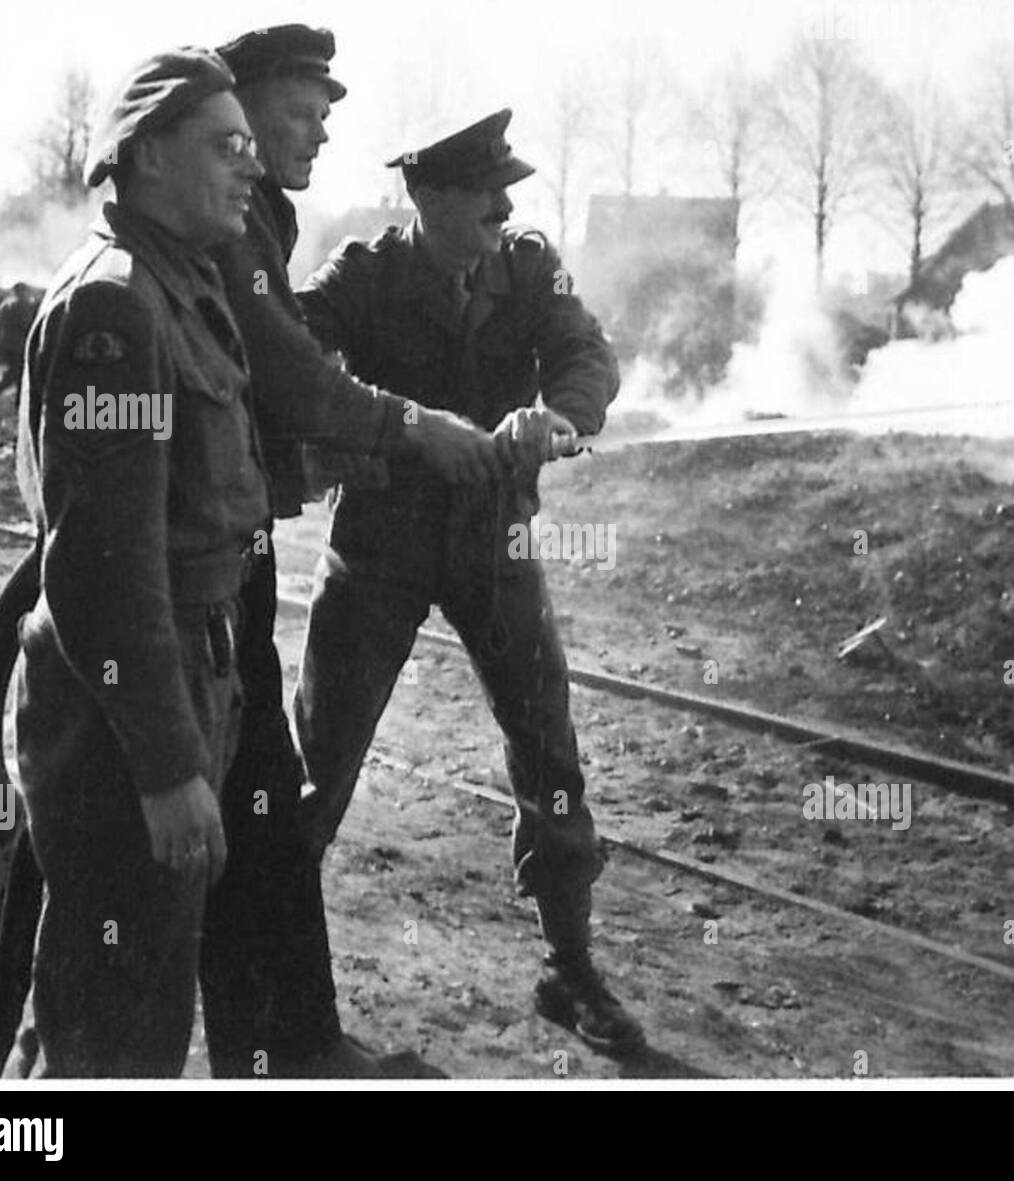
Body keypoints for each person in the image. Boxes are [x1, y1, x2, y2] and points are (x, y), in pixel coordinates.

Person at [293, 110, 645, 1055]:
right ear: (428, 197)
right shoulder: (362, 275)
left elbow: (587, 358)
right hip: (380, 546)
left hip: (496, 541)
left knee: (549, 745)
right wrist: (378, 428)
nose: (504, 206)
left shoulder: (528, 267)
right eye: (483, 192)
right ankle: (271, 973)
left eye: (506, 190)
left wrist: (555, 419)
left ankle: (568, 968)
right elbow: (290, 352)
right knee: (317, 760)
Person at [203, 23, 489, 1078]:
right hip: (206, 572)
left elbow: (259, 397)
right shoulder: (234, 223)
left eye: (327, 117)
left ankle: (284, 1045)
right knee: (249, 813)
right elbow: (283, 369)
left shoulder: (260, 215)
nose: (320, 135)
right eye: (301, 113)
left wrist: (314, 457)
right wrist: (409, 426)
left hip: (236, 554)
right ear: (234, 112)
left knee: (264, 810)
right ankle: (284, 1050)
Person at [10, 47, 268, 1077]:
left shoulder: (179, 285)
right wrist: (167, 768)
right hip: (126, 723)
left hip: (178, 684)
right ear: (149, 155)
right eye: (226, 144)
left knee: (106, 989)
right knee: (116, 1022)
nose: (250, 165)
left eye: (251, 143)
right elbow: (102, 570)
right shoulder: (119, 307)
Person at [0, 282, 39, 414]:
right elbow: (27, 325)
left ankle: (19, 403)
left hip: (5, 344)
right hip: (18, 345)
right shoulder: (22, 305)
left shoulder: (5, 305)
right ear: (23, 292)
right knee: (16, 373)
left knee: (19, 373)